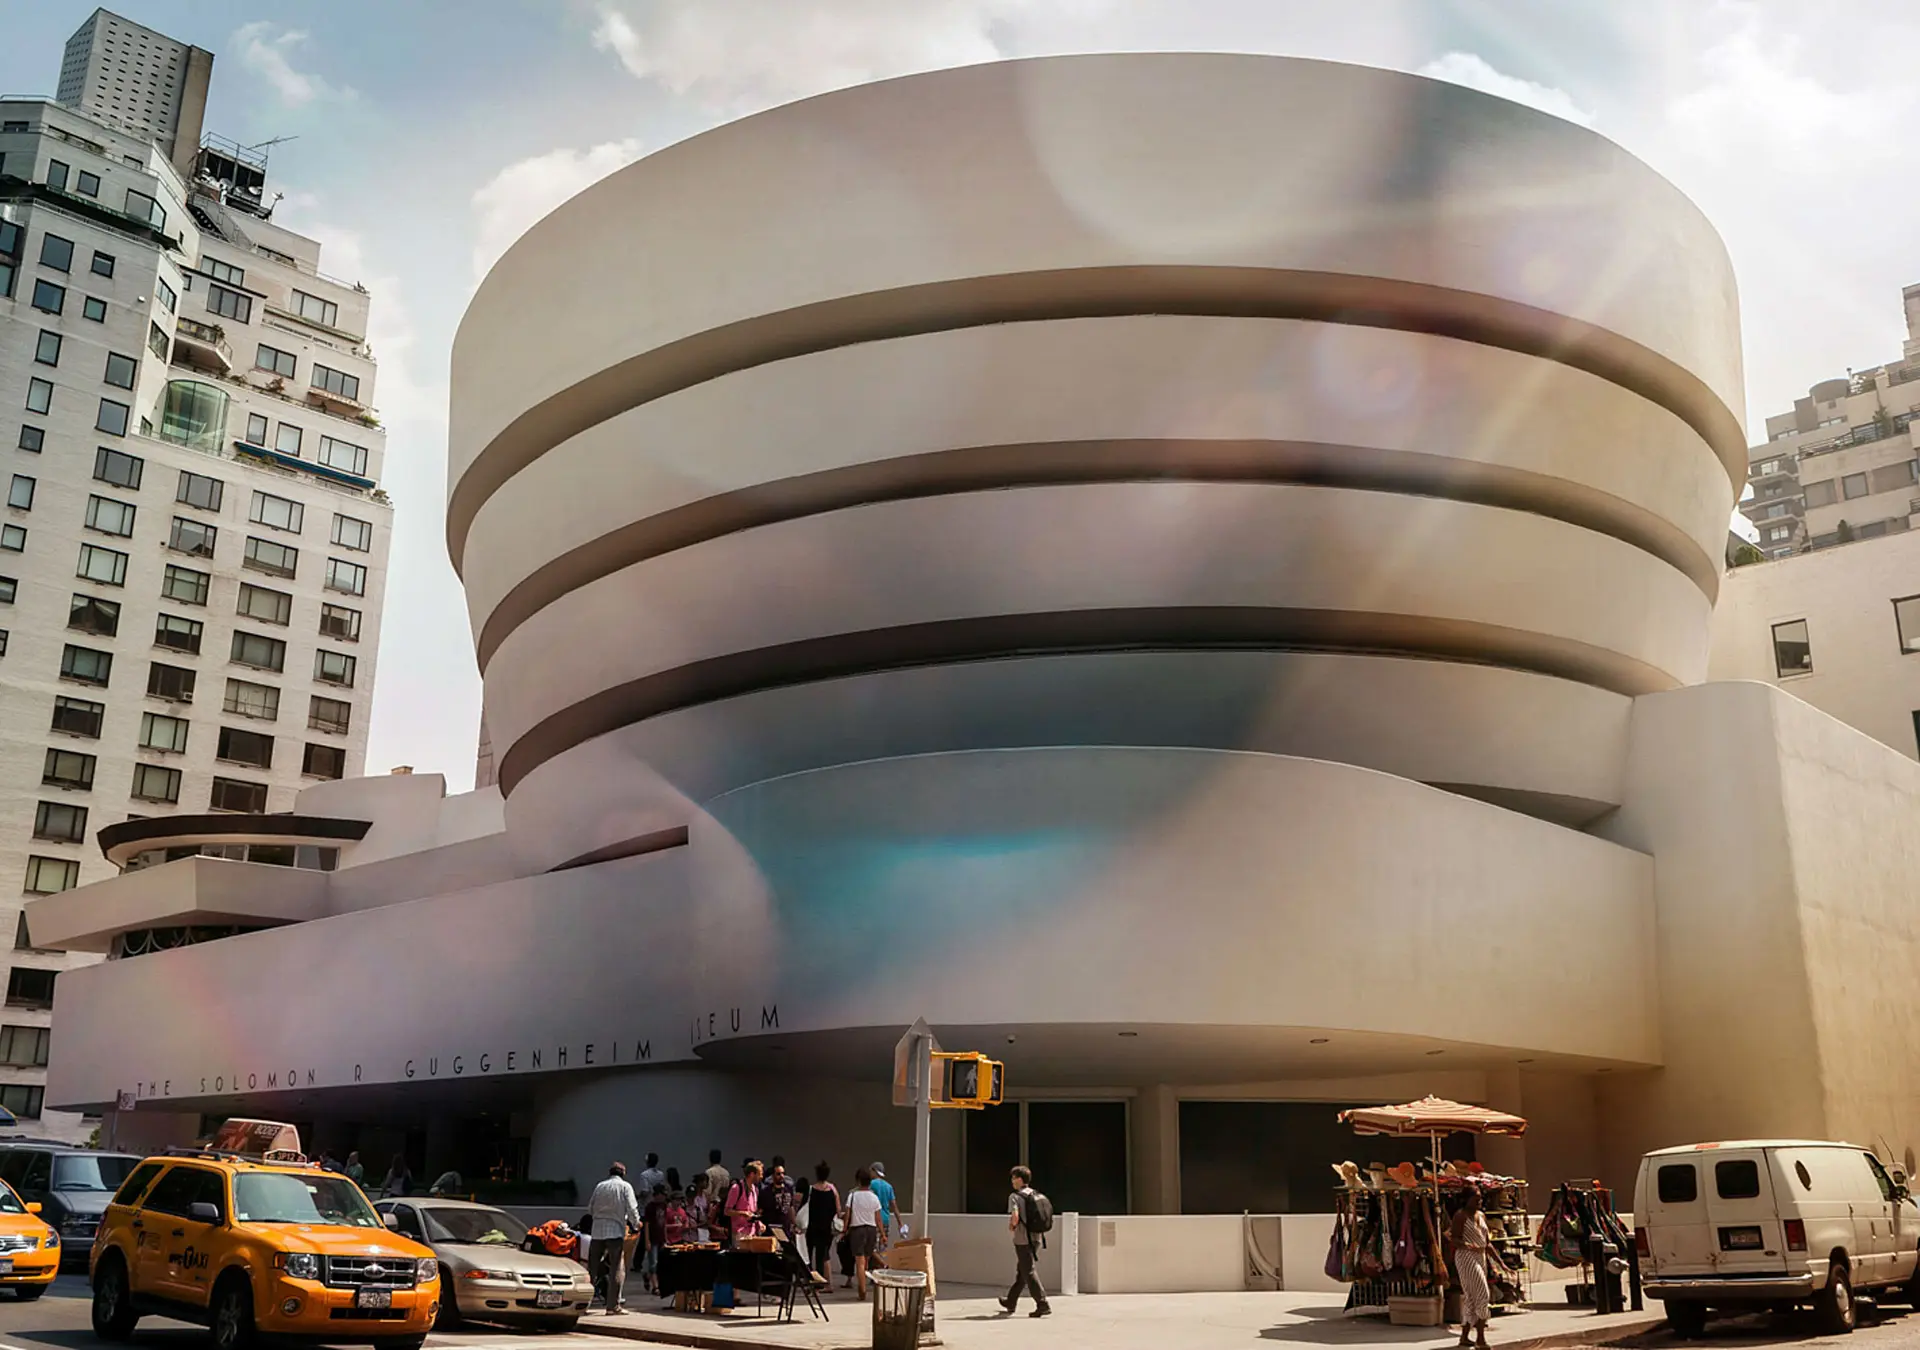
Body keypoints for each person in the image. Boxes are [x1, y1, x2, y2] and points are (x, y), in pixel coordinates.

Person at [587, 1163, 641, 1315]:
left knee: (592, 1269)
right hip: (615, 1231)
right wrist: (636, 1224)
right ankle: (612, 1306)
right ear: (623, 1173)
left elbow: (590, 1208)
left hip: (597, 1231)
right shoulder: (625, 1187)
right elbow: (632, 1208)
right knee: (617, 1268)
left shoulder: (600, 1186)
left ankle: (583, 1304)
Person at [1001, 1165, 1051, 1318]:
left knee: (1028, 1271)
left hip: (1022, 1239)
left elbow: (1015, 1216)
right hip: (1036, 1238)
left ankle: (1042, 1304)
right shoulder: (1035, 1194)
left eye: (1014, 1178)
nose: (1012, 1181)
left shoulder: (1015, 1197)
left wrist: (1012, 1225)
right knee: (1022, 1270)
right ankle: (1011, 1301)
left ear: (1020, 1179)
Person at [1452, 1187, 1493, 1350]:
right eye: (1476, 1198)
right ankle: (1481, 1338)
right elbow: (1454, 1238)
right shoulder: (1460, 1216)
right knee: (1483, 1295)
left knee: (1470, 1298)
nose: (1479, 1201)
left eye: (1480, 1198)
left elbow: (1487, 1243)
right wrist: (1467, 1245)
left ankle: (1464, 1337)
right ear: (1466, 1199)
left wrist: (1500, 1263)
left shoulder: (1481, 1216)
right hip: (1466, 1256)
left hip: (1480, 1255)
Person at [843, 1167, 883, 1300]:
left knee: (859, 1261)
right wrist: (882, 1233)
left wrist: (844, 1230)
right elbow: (878, 1218)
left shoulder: (853, 1196)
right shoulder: (874, 1197)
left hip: (857, 1230)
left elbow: (848, 1215)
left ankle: (862, 1289)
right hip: (871, 1229)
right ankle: (863, 1283)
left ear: (858, 1181)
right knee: (866, 1260)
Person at [805, 1163, 840, 1281]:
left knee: (808, 1254)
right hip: (826, 1228)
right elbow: (838, 1209)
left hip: (812, 1226)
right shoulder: (832, 1190)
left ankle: (808, 1278)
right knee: (822, 1256)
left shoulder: (810, 1190)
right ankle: (820, 1280)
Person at [724, 1160, 764, 1244]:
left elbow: (754, 1212)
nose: (761, 1176)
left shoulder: (755, 1189)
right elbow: (727, 1211)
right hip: (739, 1233)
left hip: (752, 1232)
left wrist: (759, 1223)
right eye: (760, 1173)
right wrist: (743, 1213)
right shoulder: (737, 1188)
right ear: (752, 1174)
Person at [640, 1184, 669, 1294]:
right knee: (653, 1262)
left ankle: (647, 1276)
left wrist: (666, 1238)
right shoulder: (650, 1207)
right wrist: (647, 1240)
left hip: (661, 1237)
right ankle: (655, 1286)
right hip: (652, 1238)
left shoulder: (664, 1206)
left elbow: (664, 1222)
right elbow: (646, 1224)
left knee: (660, 1263)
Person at [761, 1157, 798, 1240]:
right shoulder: (766, 1191)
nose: (781, 1176)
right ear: (773, 1175)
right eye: (778, 1174)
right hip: (771, 1228)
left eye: (783, 1173)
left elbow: (790, 1207)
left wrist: (794, 1223)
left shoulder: (788, 1188)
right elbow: (761, 1209)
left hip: (785, 1228)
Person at [687, 1174, 713, 1243]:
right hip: (692, 1225)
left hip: (703, 1226)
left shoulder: (706, 1196)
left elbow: (708, 1211)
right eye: (705, 1181)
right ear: (699, 1182)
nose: (707, 1183)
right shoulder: (692, 1196)